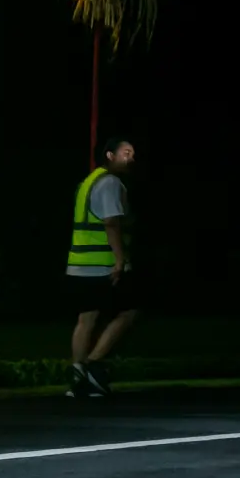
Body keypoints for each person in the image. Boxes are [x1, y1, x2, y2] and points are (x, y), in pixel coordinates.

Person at [65, 137, 140, 398]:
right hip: (101, 265)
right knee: (128, 312)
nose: (131, 159)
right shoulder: (109, 183)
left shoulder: (88, 182)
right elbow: (111, 223)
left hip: (79, 263)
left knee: (86, 318)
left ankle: (78, 376)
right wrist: (120, 260)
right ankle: (94, 366)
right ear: (110, 155)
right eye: (126, 153)